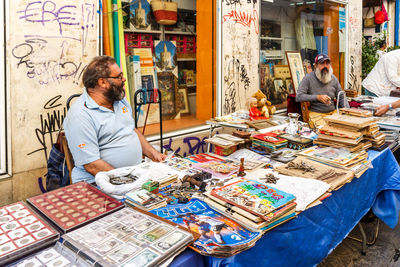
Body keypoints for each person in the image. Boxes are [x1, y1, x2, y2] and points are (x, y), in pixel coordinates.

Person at [63, 56, 166, 184]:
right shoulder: (80, 115)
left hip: (133, 175)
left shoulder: (119, 100)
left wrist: (153, 153)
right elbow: (92, 165)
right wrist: (128, 181)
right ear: (103, 83)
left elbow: (130, 130)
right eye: (119, 76)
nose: (124, 79)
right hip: (100, 185)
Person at [296, 54, 349, 128]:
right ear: (315, 66)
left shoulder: (333, 78)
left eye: (327, 63)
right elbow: (299, 96)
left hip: (332, 114)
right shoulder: (308, 78)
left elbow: (341, 96)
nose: (325, 66)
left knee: (345, 127)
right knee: (325, 130)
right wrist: (317, 97)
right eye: (322, 63)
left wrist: (348, 112)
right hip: (316, 114)